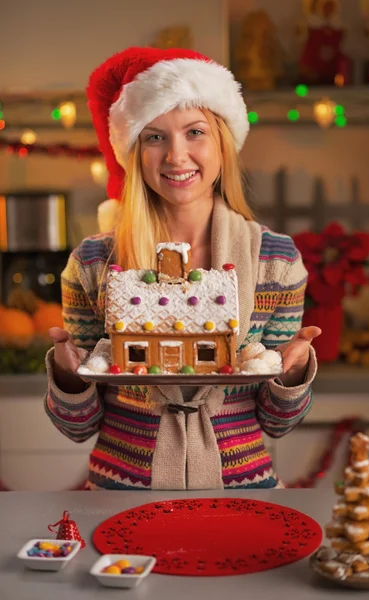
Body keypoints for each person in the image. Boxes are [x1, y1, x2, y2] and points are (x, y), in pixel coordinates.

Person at [45, 46, 321, 491]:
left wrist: (289, 377)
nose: (176, 156)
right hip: (121, 493)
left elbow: (277, 423)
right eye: (155, 137)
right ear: (134, 151)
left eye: (195, 132)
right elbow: (77, 428)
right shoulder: (93, 263)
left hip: (242, 490)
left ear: (222, 143)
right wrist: (66, 374)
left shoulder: (277, 261)